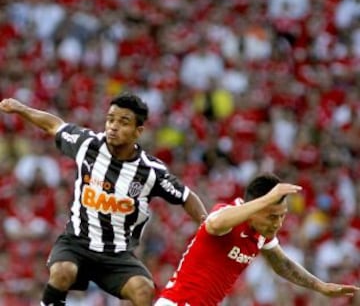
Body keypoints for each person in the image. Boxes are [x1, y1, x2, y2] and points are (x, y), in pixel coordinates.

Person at [0, 93, 208, 306]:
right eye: (110, 119)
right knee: (63, 272)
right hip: (76, 243)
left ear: (138, 132)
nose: (113, 126)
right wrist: (20, 109)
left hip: (116, 255)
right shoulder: (87, 144)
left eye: (123, 122)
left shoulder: (151, 172)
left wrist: (207, 228)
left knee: (143, 290)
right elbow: (54, 125)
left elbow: (186, 196)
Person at [155, 173, 359, 306]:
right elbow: (214, 223)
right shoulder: (228, 213)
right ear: (254, 209)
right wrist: (267, 199)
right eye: (272, 216)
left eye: (282, 215)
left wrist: (321, 287)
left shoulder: (261, 233)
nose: (278, 223)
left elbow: (283, 265)